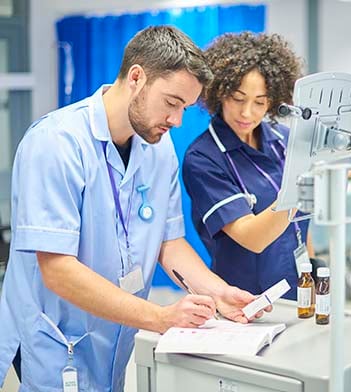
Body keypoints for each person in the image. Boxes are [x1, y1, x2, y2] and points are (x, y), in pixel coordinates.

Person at [0, 26, 267, 391]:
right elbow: (57, 270)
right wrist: (158, 317)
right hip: (57, 339)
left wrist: (219, 293)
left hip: (114, 333)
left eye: (185, 109)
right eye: (172, 103)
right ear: (137, 77)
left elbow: (169, 243)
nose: (176, 121)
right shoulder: (56, 143)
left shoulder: (157, 148)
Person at [183, 32, 315, 300]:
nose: (247, 113)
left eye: (259, 102)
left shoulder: (284, 141)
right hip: (244, 299)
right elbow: (252, 237)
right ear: (219, 92)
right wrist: (296, 190)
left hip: (296, 287)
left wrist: (309, 273)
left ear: (273, 100)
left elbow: (300, 223)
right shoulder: (203, 157)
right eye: (238, 98)